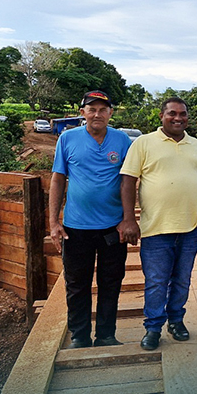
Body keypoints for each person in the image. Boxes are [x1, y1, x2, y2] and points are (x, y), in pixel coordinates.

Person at [118, 97, 197, 351]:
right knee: (157, 281)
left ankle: (176, 321)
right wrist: (129, 219)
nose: (178, 118)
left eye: (183, 114)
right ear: (161, 115)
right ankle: (153, 327)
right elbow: (128, 181)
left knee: (182, 279)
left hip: (190, 227)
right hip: (156, 228)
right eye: (172, 113)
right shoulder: (143, 143)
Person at [49, 90, 132, 349]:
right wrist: (53, 222)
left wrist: (128, 219)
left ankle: (106, 334)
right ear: (82, 112)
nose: (97, 114)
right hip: (76, 228)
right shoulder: (67, 138)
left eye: (103, 109)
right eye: (91, 109)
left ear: (110, 113)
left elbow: (129, 180)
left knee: (111, 282)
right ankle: (80, 336)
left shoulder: (122, 141)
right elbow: (58, 179)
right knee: (77, 284)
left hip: (112, 227)